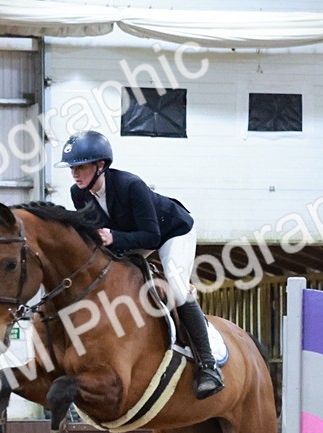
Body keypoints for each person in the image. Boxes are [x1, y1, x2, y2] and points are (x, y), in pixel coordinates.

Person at [56, 130, 224, 400]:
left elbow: (152, 237)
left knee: (177, 288)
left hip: (172, 232)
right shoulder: (79, 194)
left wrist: (114, 237)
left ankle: (208, 366)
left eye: (81, 167)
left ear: (100, 166)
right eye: (72, 168)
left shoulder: (130, 185)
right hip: (129, 237)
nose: (75, 174)